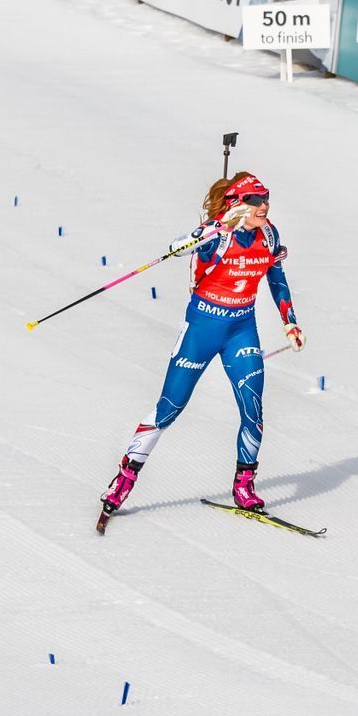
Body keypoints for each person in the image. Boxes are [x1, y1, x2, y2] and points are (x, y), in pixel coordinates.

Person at [98, 173, 303, 523]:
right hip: (202, 329)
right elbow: (177, 247)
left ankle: (244, 486)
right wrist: (218, 225)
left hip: (242, 330)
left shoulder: (269, 234)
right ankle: (125, 478)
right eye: (254, 200)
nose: (264, 205)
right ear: (236, 204)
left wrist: (290, 320)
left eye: (266, 197)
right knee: (169, 408)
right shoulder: (215, 236)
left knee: (253, 409)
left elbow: (276, 277)